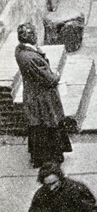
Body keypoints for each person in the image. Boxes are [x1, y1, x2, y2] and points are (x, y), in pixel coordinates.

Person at [14, 23, 71, 167]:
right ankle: (51, 155)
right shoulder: (30, 58)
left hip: (33, 93)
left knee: (39, 126)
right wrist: (56, 76)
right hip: (41, 97)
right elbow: (48, 78)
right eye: (34, 35)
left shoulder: (20, 50)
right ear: (32, 37)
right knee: (48, 123)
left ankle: (40, 156)